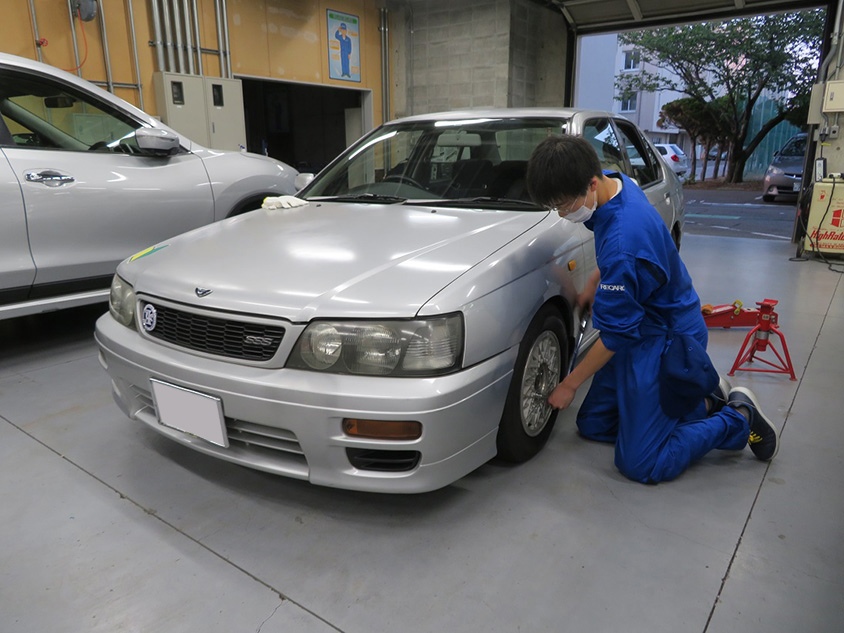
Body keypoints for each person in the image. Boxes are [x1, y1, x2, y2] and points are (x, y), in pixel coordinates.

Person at [525, 135, 779, 483]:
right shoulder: (618, 184)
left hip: (667, 339)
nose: (563, 213)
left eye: (566, 204)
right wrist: (596, 283)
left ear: (591, 183)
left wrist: (568, 384)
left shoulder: (623, 239)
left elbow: (614, 334)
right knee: (593, 425)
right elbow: (622, 259)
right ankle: (697, 400)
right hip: (642, 324)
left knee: (640, 462)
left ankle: (736, 417)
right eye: (555, 207)